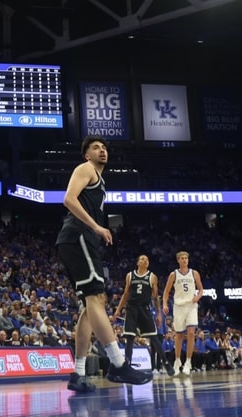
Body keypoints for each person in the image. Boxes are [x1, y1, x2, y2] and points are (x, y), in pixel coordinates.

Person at [55, 135, 152, 392]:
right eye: (96, 147)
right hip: (78, 236)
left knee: (90, 306)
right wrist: (97, 227)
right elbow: (69, 199)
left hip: (80, 238)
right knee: (96, 299)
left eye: (104, 147)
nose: (102, 150)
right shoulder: (85, 169)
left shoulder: (99, 178)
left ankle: (77, 374)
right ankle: (118, 363)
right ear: (87, 155)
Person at [112, 254, 174, 376]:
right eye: (142, 259)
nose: (145, 261)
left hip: (145, 309)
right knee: (129, 337)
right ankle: (127, 365)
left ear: (148, 263)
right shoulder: (130, 275)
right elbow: (125, 294)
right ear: (137, 262)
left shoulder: (152, 277)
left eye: (147, 259)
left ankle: (166, 364)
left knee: (154, 338)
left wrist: (159, 313)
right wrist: (118, 309)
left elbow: (155, 297)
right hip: (131, 309)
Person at [162, 251, 204, 376]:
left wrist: (198, 296)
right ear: (178, 260)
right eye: (182, 258)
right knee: (179, 335)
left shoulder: (194, 273)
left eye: (186, 258)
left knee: (191, 332)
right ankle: (177, 360)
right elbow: (166, 292)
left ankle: (188, 362)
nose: (185, 260)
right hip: (178, 306)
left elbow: (201, 289)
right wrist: (164, 304)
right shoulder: (173, 274)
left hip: (191, 305)